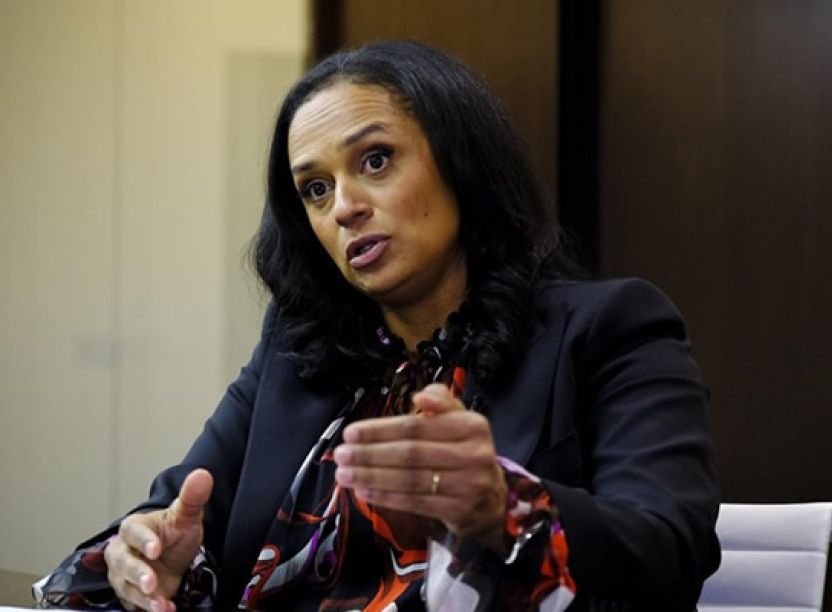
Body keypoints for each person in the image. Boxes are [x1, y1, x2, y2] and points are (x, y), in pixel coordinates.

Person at [36, 40, 720, 611]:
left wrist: (506, 506)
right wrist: (145, 559)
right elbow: (169, 520)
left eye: (375, 160)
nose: (344, 207)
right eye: (316, 188)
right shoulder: (297, 353)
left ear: (461, 161)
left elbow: (669, 553)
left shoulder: (607, 329)